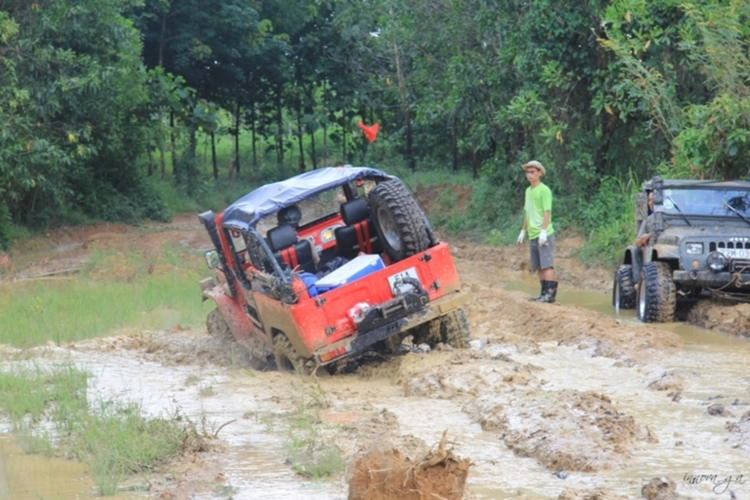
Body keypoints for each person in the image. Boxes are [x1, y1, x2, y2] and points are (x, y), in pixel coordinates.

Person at [517, 160, 557, 303]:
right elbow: (528, 212)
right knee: (538, 266)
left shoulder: (544, 190)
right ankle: (543, 293)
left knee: (547, 264)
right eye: (527, 172)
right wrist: (523, 230)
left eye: (532, 172)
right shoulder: (528, 191)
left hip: (543, 232)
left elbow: (547, 211)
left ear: (539, 173)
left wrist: (544, 231)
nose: (529, 175)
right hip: (533, 233)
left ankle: (550, 294)